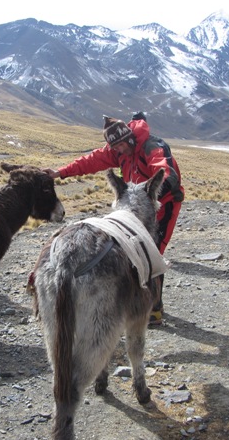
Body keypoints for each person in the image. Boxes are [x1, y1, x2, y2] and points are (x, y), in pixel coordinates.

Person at [44, 112, 184, 325]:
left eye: (122, 145)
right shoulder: (118, 150)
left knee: (152, 250)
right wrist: (60, 173)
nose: (120, 150)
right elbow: (92, 161)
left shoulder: (151, 147)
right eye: (115, 147)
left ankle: (154, 308)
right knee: (132, 249)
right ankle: (135, 299)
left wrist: (151, 192)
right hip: (134, 208)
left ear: (129, 138)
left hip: (162, 204)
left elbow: (167, 172)